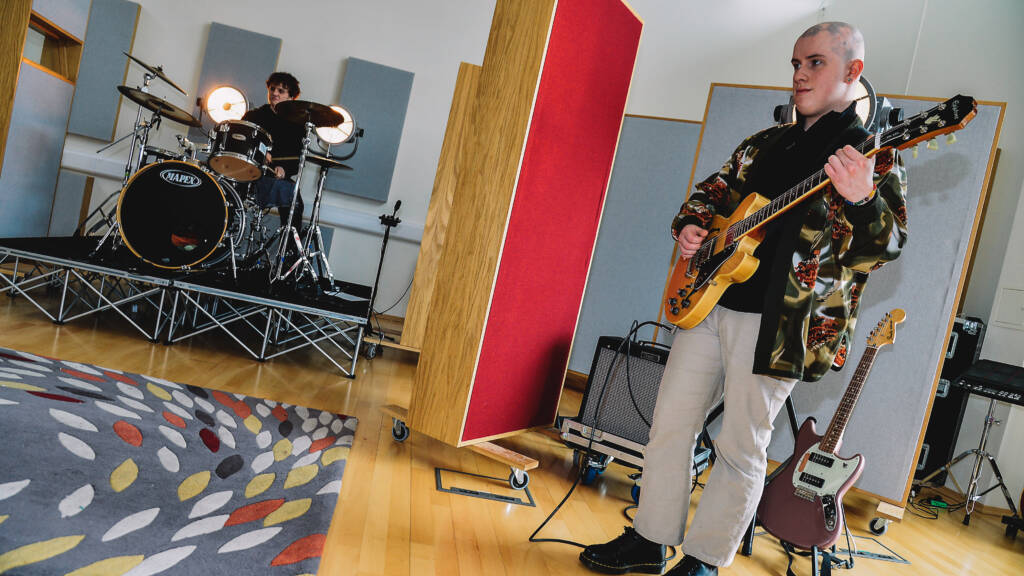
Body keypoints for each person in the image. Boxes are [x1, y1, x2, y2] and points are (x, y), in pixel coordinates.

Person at [579, 22, 908, 576]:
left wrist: (863, 199)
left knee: (741, 445)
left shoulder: (873, 155)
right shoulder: (765, 144)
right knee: (669, 425)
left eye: (815, 63)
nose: (800, 74)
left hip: (783, 325)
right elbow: (712, 191)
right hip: (711, 303)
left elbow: (887, 244)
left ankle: (705, 560)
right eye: (796, 64)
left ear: (853, 72)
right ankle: (650, 539)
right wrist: (692, 227)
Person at [242, 72, 306, 234]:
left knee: (294, 201)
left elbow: (297, 159)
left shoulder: (298, 125)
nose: (275, 93)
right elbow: (242, 140)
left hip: (273, 179)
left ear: (291, 97)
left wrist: (284, 169)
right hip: (247, 173)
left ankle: (289, 252)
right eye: (272, 89)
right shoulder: (254, 116)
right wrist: (258, 152)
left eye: (281, 91)